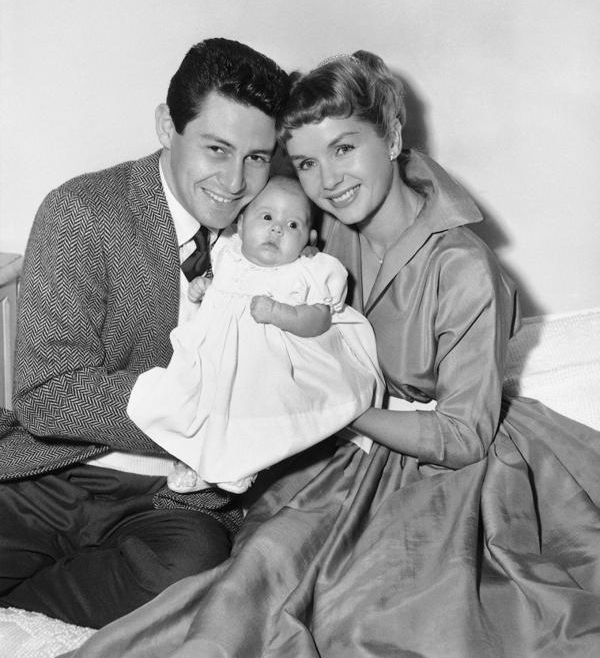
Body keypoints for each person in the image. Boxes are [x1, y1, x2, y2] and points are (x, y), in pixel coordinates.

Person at [59, 50, 600, 658]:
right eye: (308, 162)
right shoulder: (321, 227)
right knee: (250, 581)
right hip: (333, 448)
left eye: (344, 149)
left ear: (392, 137)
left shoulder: (464, 267)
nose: (329, 180)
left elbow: (463, 436)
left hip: (439, 460)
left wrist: (340, 409)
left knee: (376, 615)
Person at [0, 38, 290, 629]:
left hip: (174, 503)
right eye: (216, 148)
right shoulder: (82, 211)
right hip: (52, 474)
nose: (236, 181)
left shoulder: (280, 232)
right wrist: (204, 418)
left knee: (187, 576)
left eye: (257, 157)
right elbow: (47, 394)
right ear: (166, 126)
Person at [128, 175, 384, 495]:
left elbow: (320, 320)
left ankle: (243, 465)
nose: (277, 229)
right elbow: (222, 286)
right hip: (217, 354)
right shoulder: (229, 255)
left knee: (258, 411)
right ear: (241, 223)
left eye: (292, 225)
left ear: (309, 238)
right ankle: (195, 461)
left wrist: (280, 313)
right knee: (196, 401)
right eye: (267, 217)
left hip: (269, 363)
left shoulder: (307, 271)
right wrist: (205, 287)